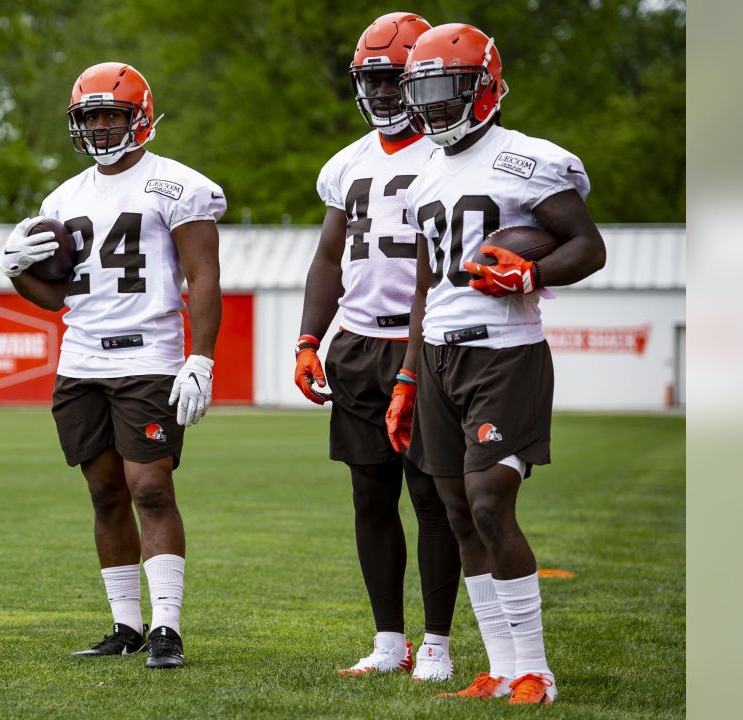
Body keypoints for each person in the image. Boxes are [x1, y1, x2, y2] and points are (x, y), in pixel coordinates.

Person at [385, 24, 606, 704]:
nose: (435, 106)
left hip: (505, 354)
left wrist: (529, 274)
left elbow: (587, 246)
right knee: (457, 514)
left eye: (448, 90)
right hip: (440, 352)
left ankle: (536, 669)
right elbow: (426, 285)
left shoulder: (529, 160)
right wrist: (407, 373)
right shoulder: (423, 175)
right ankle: (501, 667)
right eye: (424, 92)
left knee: (488, 502)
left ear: (484, 87)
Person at [1, 62, 224, 670]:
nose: (100, 127)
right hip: (81, 360)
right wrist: (17, 270)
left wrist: (200, 356)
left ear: (140, 117)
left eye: (111, 114)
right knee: (103, 494)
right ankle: (126, 626)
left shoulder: (179, 185)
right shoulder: (62, 198)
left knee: (149, 488)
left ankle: (167, 629)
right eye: (90, 116)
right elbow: (55, 299)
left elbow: (204, 277)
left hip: (148, 356)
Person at [295, 11, 460, 683]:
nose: (385, 94)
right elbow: (329, 257)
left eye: (395, 80)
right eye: (373, 81)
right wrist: (310, 338)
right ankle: (388, 640)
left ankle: (438, 645)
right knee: (370, 495)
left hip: (426, 341)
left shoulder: (451, 152)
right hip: (359, 344)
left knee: (433, 497)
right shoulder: (348, 162)